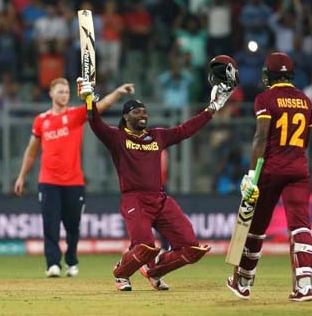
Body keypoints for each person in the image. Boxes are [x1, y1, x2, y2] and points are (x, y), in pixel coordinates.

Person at [80, 65, 236, 292]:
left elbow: (185, 130)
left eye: (144, 111)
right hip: (134, 200)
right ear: (125, 117)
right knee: (145, 247)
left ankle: (154, 273)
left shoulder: (157, 136)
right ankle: (121, 275)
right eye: (137, 112)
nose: (143, 115)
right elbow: (95, 124)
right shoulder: (117, 138)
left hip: (160, 199)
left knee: (192, 249)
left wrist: (211, 109)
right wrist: (88, 101)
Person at [13, 77, 135, 278]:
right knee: (50, 225)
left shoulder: (75, 115)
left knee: (72, 227)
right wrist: (21, 176)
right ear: (51, 93)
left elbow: (101, 106)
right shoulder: (41, 120)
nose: (64, 95)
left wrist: (119, 92)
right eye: (60, 92)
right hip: (48, 181)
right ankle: (52, 264)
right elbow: (32, 151)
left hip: (74, 182)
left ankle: (71, 261)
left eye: (67, 92)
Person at [226, 52, 312, 302]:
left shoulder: (265, 98)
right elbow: (306, 140)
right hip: (299, 169)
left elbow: (261, 138)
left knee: (255, 225)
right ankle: (306, 285)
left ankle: (242, 282)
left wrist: (252, 173)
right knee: (301, 226)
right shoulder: (306, 100)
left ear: (270, 75)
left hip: (272, 170)